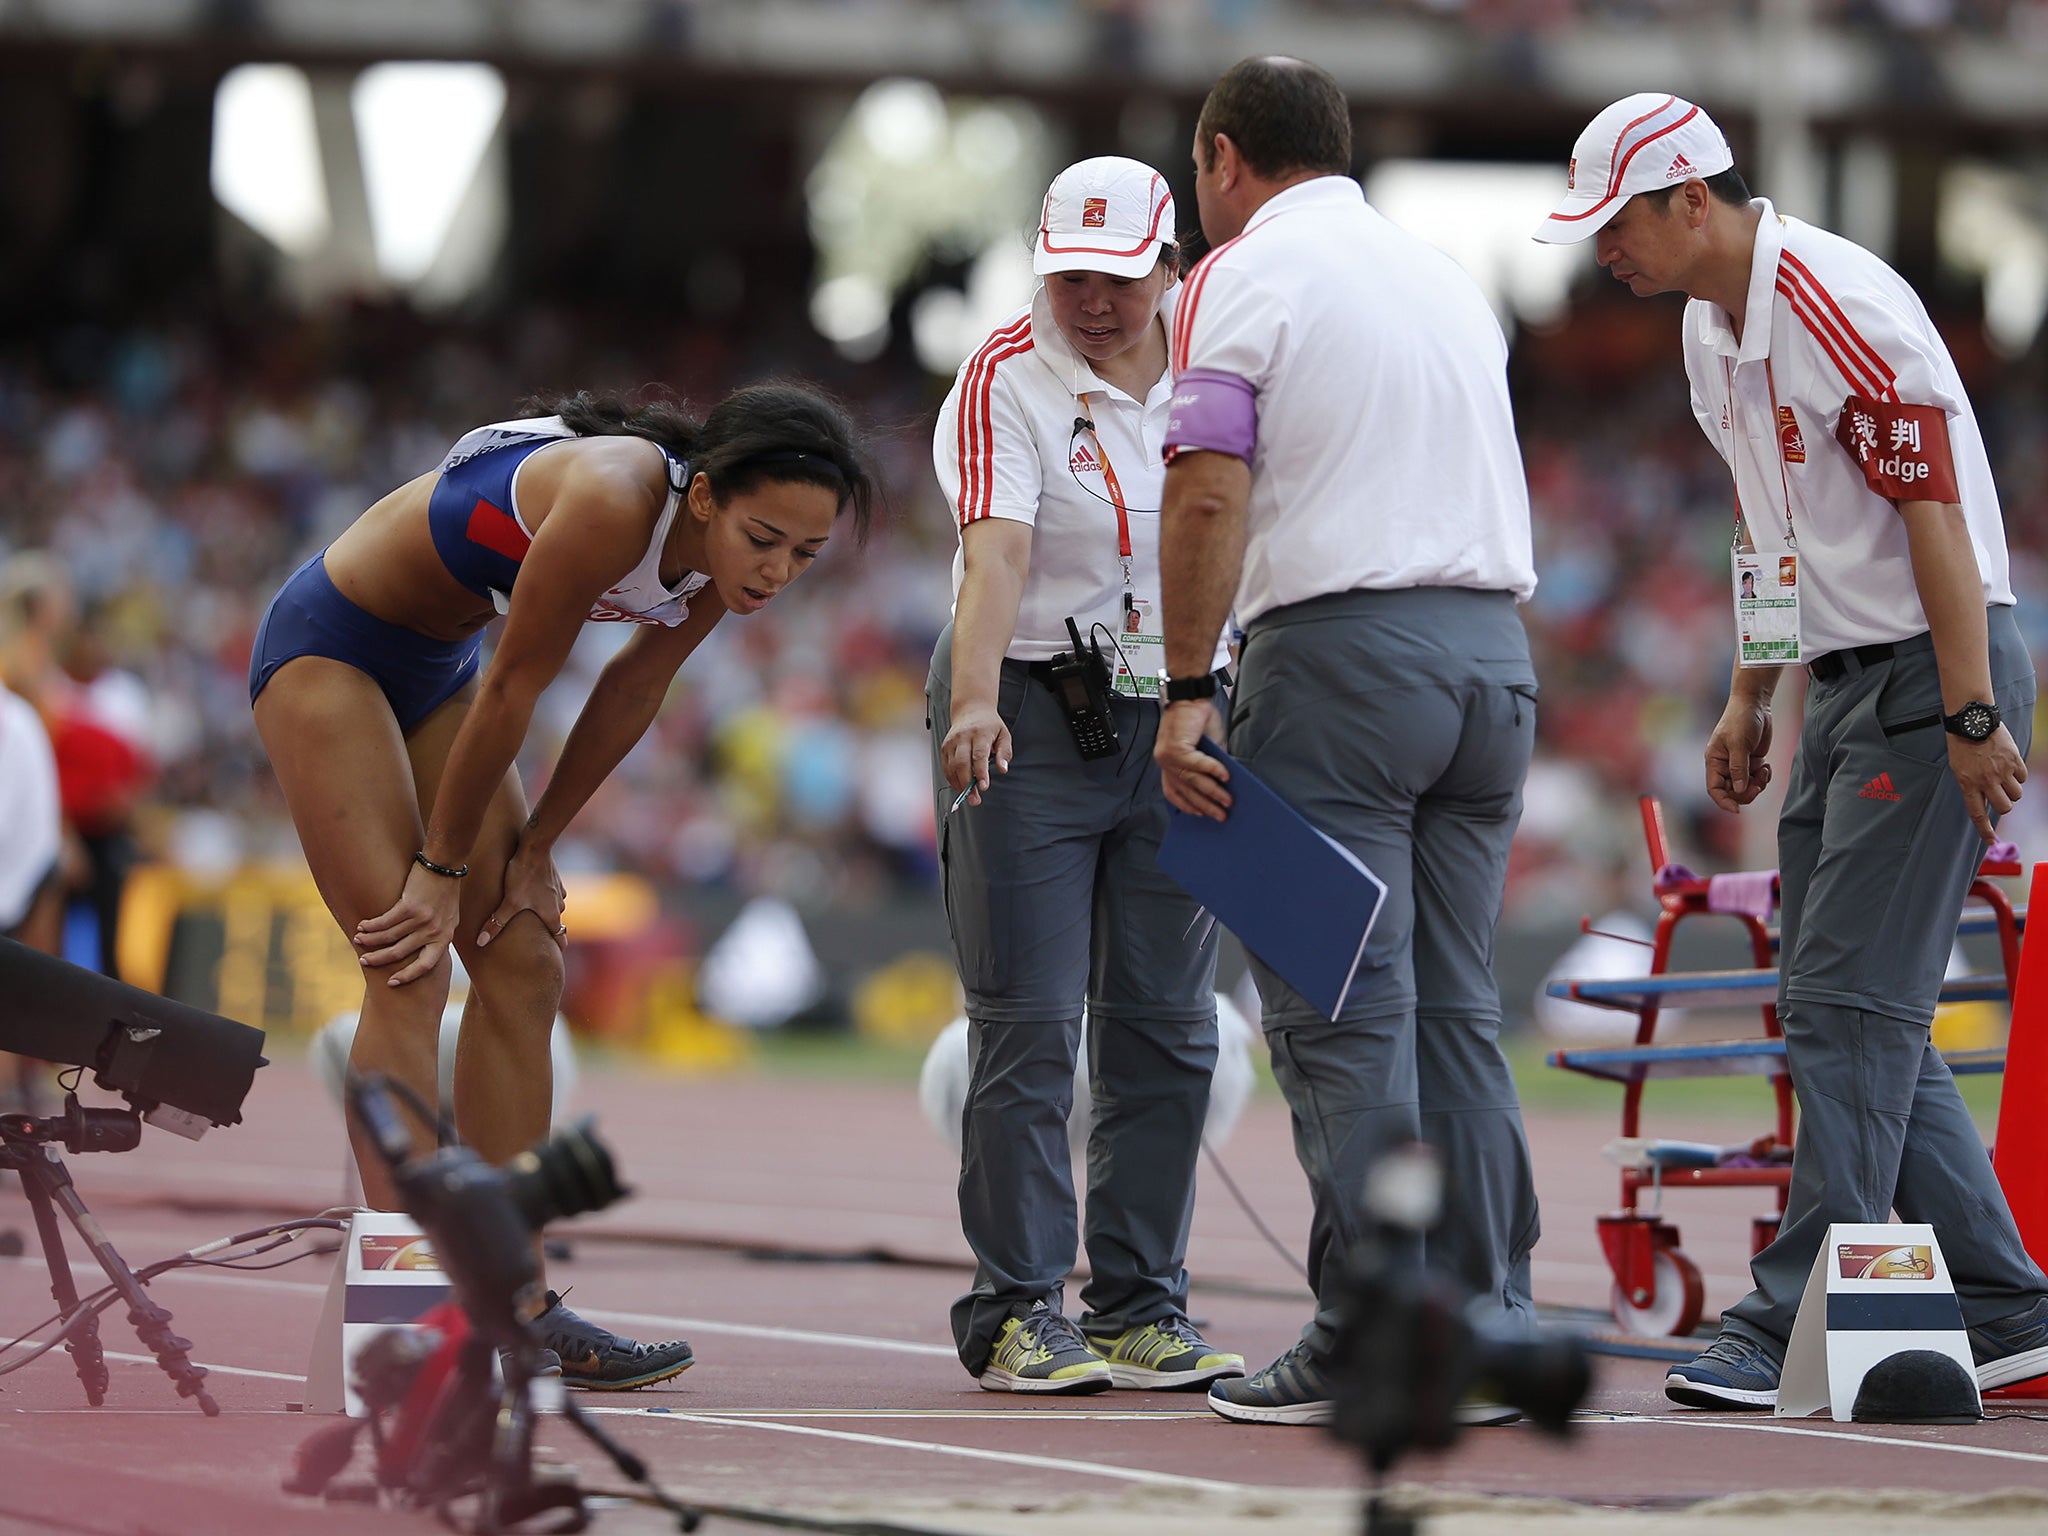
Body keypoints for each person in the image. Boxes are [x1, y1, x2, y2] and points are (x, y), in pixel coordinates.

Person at [1534, 92, 2048, 1409]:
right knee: (1857, 1009)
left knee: (1845, 1007)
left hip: (1938, 666)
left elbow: (1934, 513)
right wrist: (1748, 699)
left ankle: (1789, 1316)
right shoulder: (1715, 337)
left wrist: (1972, 710)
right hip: (1844, 678)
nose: (1605, 255)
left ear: (1690, 198)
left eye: (1617, 224)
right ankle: (2004, 1306)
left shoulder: (1835, 307)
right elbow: (1771, 540)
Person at [251, 383, 874, 1387]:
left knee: (526, 954)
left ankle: (515, 1302)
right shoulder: (615, 497)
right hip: (337, 648)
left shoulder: (727, 561)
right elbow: (514, 688)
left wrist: (536, 851)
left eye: (804, 555)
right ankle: (402, 1318)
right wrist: (442, 871)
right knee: (407, 964)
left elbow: (632, 688)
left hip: (438, 668)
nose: (776, 571)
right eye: (765, 538)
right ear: (705, 496)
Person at [1153, 57, 1542, 1427]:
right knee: (1459, 1010)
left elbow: (1205, 490)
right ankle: (1489, 1318)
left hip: (1341, 661)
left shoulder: (1238, 274)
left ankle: (1382, 1322)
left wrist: (1186, 683)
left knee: (1339, 1010)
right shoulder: (1445, 278)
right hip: (1495, 659)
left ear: (1220, 158)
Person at [928, 156, 1245, 1395]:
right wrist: (965, 702)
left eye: (1117, 280)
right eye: (1068, 276)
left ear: (1170, 268)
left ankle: (1136, 1304)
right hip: (1025, 711)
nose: (1092, 302)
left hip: (1179, 713)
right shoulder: (1002, 375)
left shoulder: (1225, 362)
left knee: (1169, 1028)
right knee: (1027, 1026)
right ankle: (1014, 1307)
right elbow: (994, 553)